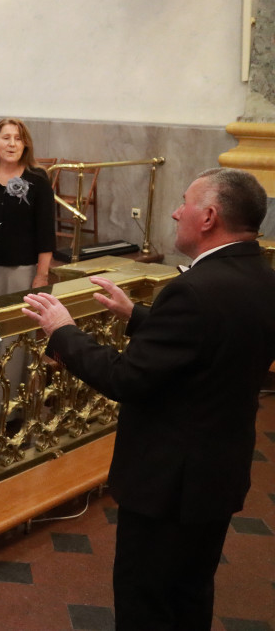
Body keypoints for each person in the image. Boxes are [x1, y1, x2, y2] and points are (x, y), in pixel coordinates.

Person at [21, 168, 275, 631]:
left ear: (209, 217)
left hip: (170, 483)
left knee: (147, 605)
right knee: (190, 594)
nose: (177, 211)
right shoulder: (260, 273)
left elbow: (126, 379)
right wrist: (136, 314)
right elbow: (210, 341)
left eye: (185, 202)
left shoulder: (193, 290)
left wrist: (63, 332)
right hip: (217, 472)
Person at [0, 118, 54, 418]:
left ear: (25, 144)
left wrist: (41, 274)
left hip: (22, 272)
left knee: (16, 340)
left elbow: (46, 233)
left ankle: (12, 409)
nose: (12, 143)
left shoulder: (38, 179)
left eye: (18, 138)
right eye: (6, 137)